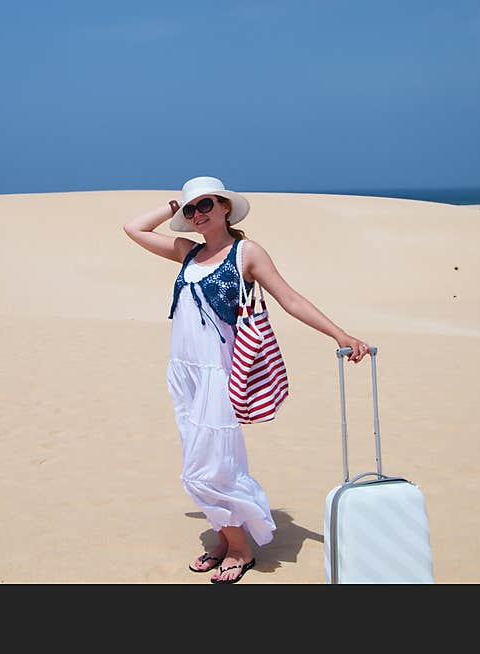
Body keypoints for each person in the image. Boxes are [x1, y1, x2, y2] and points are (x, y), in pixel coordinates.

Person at [123, 176, 371, 583]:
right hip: (184, 373)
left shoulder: (246, 253)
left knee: (209, 467)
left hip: (219, 374)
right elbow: (133, 229)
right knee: (202, 460)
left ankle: (241, 549)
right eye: (192, 209)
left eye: (205, 205)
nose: (198, 214)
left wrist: (340, 334)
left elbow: (290, 298)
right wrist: (174, 207)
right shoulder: (187, 251)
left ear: (225, 207)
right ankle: (223, 538)